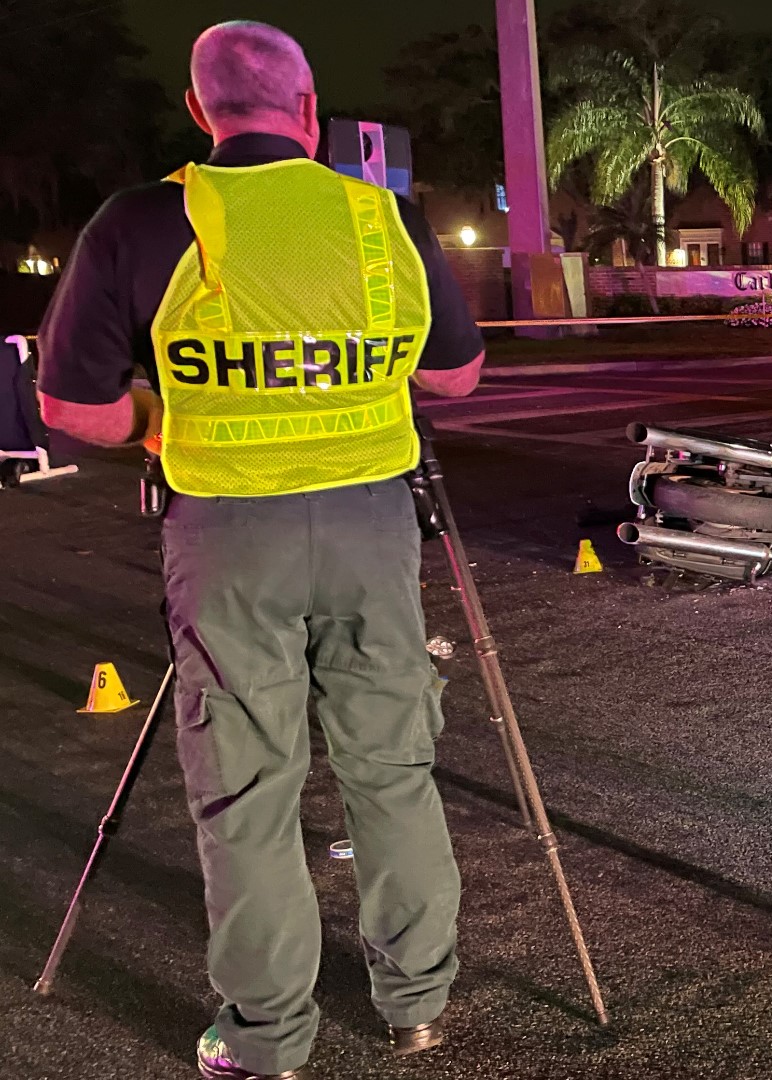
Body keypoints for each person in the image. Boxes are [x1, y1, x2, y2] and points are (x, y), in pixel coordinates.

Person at [37, 22, 486, 1080]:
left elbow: (69, 406)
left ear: (200, 112)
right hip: (375, 532)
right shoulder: (382, 219)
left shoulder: (146, 221)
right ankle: (416, 1003)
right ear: (310, 109)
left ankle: (267, 1036)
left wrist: (156, 417)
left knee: (247, 791)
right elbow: (456, 380)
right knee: (394, 770)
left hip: (231, 539)